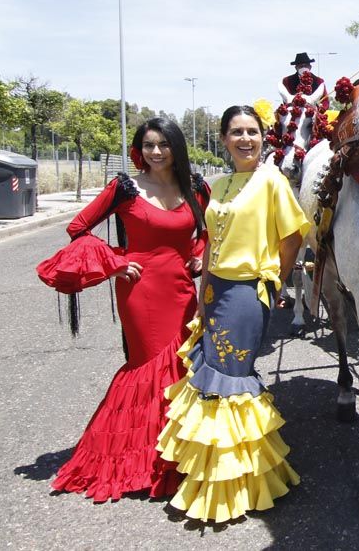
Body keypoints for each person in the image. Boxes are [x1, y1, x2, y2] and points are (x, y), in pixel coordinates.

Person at [157, 103, 310, 523]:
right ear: (224, 139)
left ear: (264, 138)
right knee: (213, 376)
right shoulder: (220, 183)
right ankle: (231, 475)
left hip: (246, 293)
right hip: (215, 289)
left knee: (229, 378)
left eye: (253, 132)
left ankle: (232, 488)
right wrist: (204, 284)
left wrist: (276, 279)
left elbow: (293, 236)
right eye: (236, 132)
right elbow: (211, 239)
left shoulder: (272, 181)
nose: (245, 139)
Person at [51, 117, 209, 502]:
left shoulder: (195, 187)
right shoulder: (125, 187)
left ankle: (180, 456)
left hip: (181, 288)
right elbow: (78, 227)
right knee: (151, 364)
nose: (156, 152)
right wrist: (115, 262)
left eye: (163, 144)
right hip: (140, 289)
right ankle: (145, 461)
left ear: (176, 147)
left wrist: (198, 256)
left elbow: (204, 232)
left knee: (182, 365)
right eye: (149, 144)